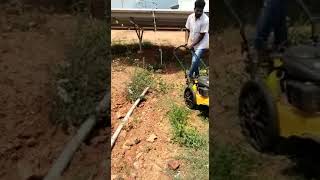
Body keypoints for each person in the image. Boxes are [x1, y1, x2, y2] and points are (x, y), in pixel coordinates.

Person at [185, 0, 209, 80]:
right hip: (192, 41)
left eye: (201, 11)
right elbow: (187, 30)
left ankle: (190, 75)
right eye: (197, 10)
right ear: (194, 9)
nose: (199, 12)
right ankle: (197, 76)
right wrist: (186, 42)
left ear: (203, 10)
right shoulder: (190, 17)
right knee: (196, 61)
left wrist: (191, 45)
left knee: (194, 61)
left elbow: (201, 36)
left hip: (202, 43)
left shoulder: (206, 19)